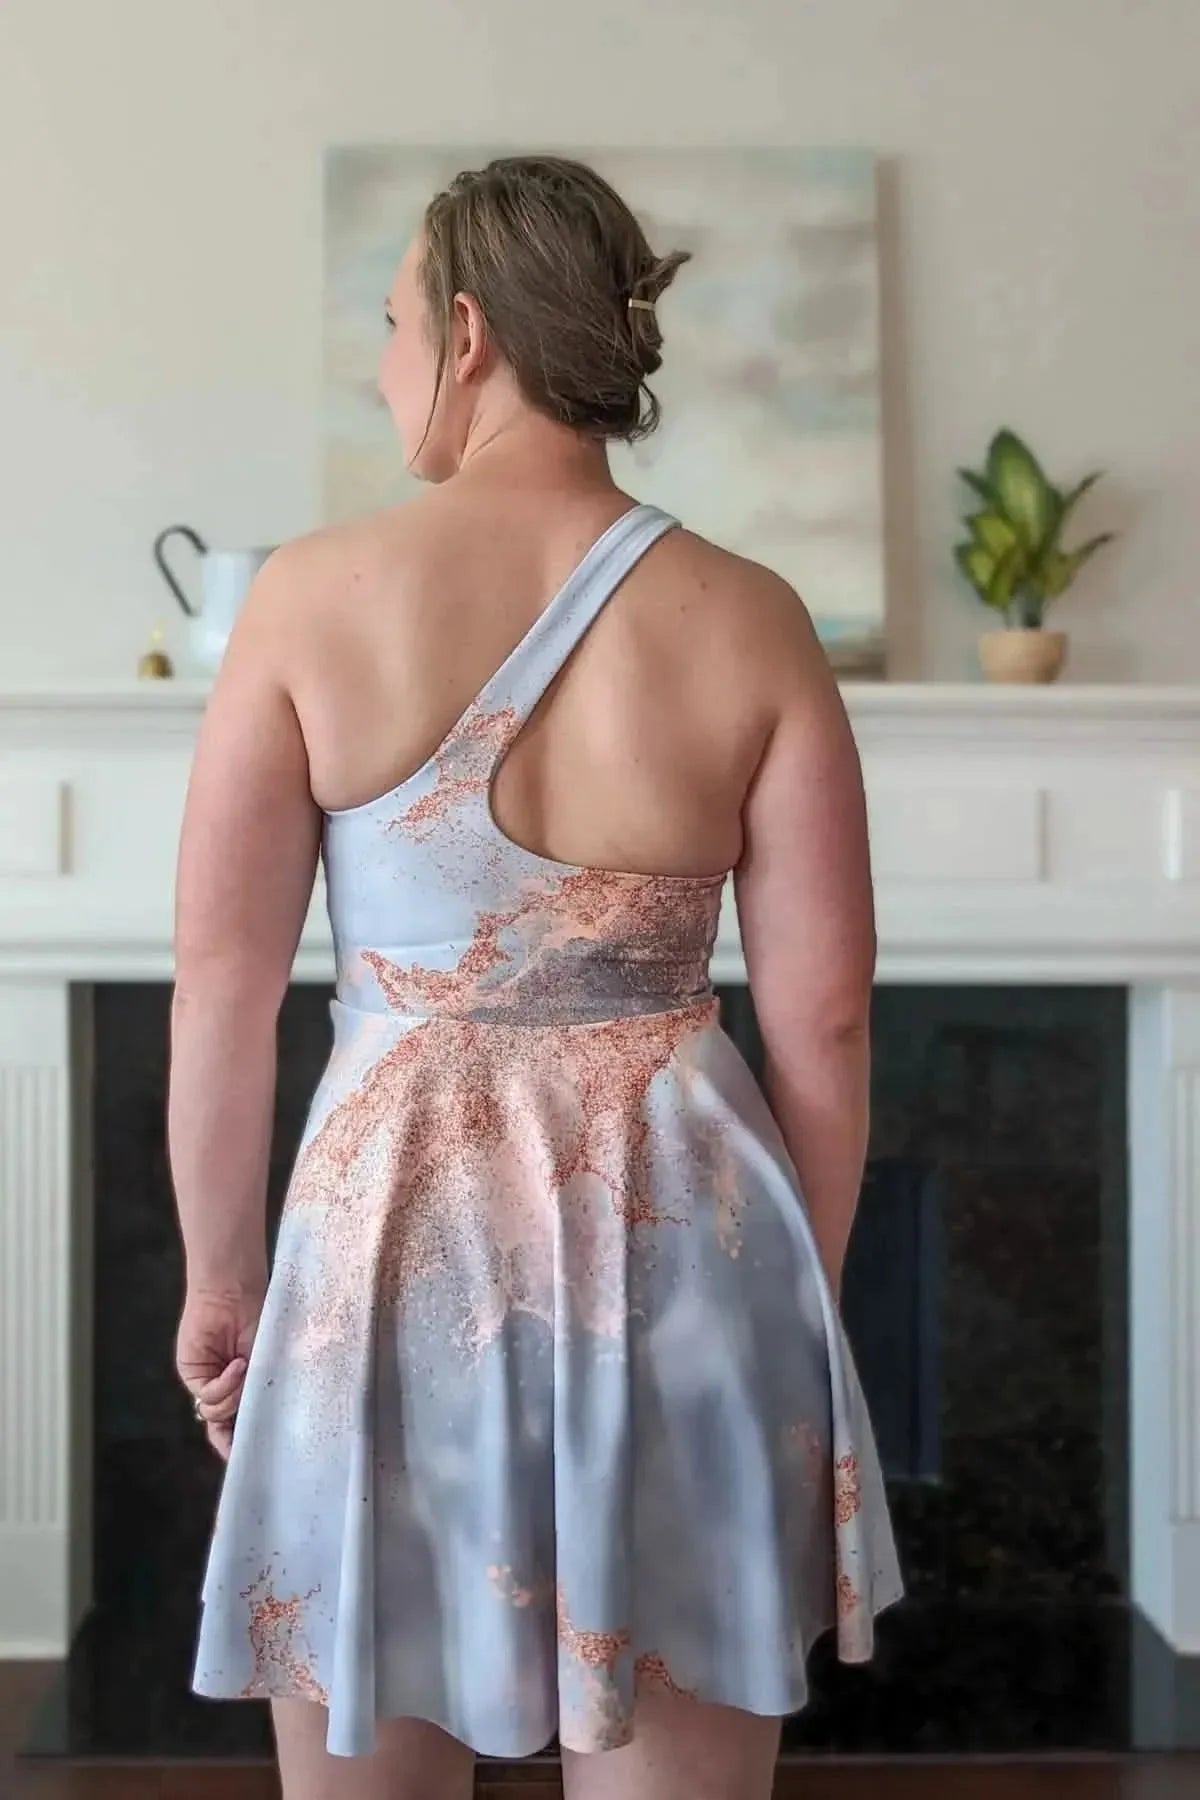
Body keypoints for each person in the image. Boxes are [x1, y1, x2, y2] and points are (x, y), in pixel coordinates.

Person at [169, 154, 901, 1800]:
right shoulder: (758, 617)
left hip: (389, 1247)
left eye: (392, 323)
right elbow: (828, 1017)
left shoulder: (306, 598)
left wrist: (222, 1288)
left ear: (471, 333)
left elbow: (222, 986)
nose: (384, 362)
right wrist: (806, 1295)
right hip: (690, 1247)